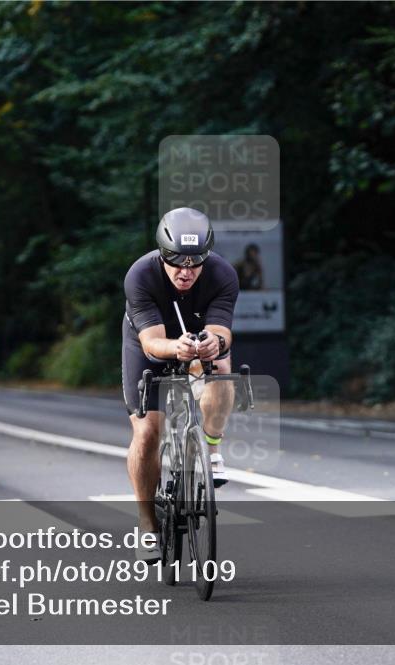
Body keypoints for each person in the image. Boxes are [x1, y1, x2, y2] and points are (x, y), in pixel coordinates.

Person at [122, 207, 239, 561]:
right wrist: (177, 347)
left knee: (219, 366)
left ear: (207, 257)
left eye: (195, 262)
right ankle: (146, 524)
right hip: (151, 340)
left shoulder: (223, 274)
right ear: (162, 254)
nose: (186, 271)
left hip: (198, 335)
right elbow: (152, 343)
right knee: (147, 434)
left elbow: (222, 331)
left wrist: (212, 344)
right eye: (176, 261)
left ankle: (211, 449)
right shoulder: (140, 275)